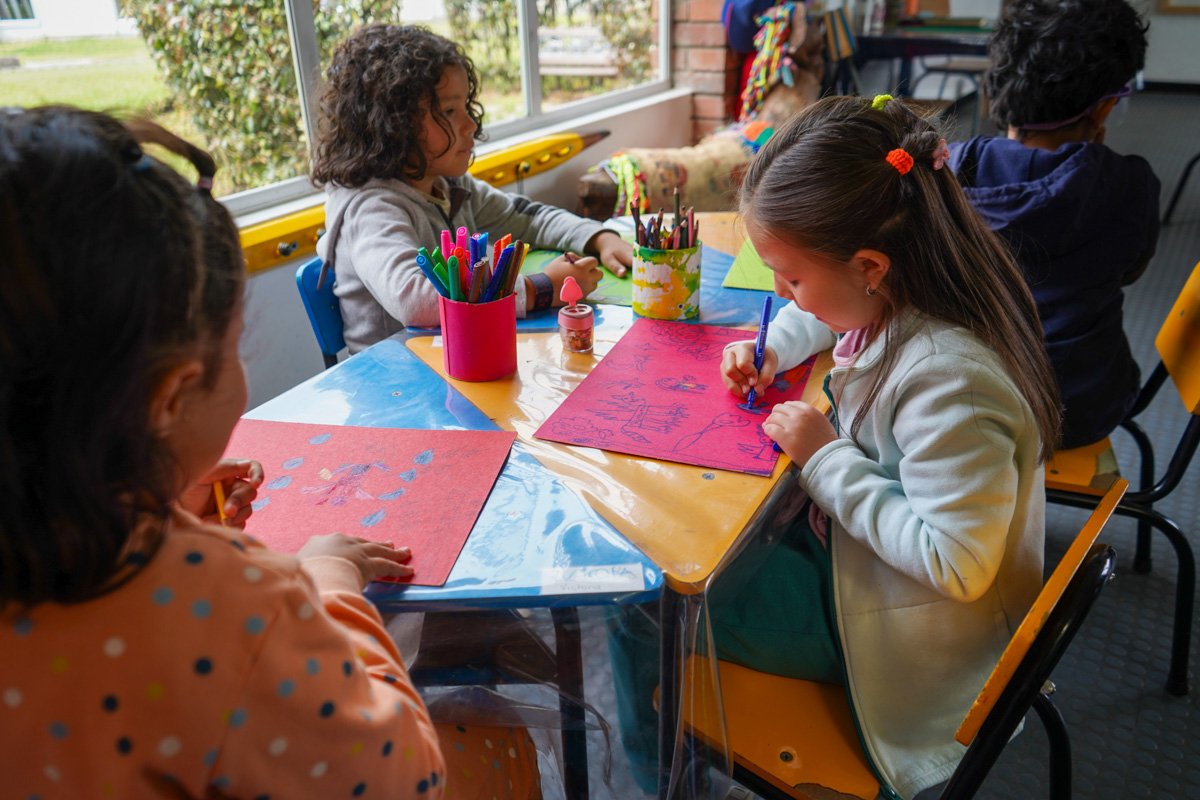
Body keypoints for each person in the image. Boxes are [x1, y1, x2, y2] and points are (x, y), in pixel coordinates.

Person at [0, 106, 446, 796]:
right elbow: (408, 776)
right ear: (173, 395)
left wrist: (155, 498)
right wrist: (327, 584)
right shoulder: (242, 609)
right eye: (233, 345)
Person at [712, 95, 1062, 798]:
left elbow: (957, 562)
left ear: (870, 266)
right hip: (860, 559)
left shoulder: (950, 383)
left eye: (791, 278)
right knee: (727, 544)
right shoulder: (918, 283)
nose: (782, 293)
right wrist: (774, 344)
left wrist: (825, 457)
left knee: (659, 613)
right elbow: (836, 319)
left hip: (908, 633)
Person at [311, 24, 634, 353]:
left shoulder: (449, 185)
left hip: (460, 356)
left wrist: (598, 237)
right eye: (449, 111)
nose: (471, 125)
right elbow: (414, 299)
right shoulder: (371, 208)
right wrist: (541, 288)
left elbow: (528, 218)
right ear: (391, 125)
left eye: (466, 106)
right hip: (397, 381)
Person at [948, 0, 1157, 448]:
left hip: (961, 405)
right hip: (1081, 406)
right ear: (1102, 109)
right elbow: (1130, 269)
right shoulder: (1131, 186)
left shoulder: (943, 172)